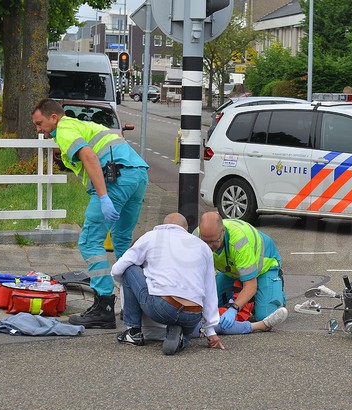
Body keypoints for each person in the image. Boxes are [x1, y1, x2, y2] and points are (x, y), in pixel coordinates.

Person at [31, 98, 149, 329]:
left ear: (53, 117)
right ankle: (134, 303)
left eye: (39, 123)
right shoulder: (80, 125)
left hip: (116, 181)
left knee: (90, 242)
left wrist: (103, 197)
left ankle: (104, 306)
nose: (39, 130)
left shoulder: (64, 128)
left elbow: (89, 157)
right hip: (138, 175)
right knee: (123, 241)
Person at [111, 213, 224, 355]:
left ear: (162, 225)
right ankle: (182, 336)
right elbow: (210, 291)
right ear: (186, 228)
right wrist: (210, 331)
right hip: (193, 314)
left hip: (163, 308)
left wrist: (130, 288)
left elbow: (117, 269)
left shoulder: (150, 236)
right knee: (182, 316)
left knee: (129, 269)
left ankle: (133, 332)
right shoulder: (203, 247)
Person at [195, 212, 288, 336]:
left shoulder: (239, 242)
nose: (208, 246)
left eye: (213, 242)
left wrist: (233, 309)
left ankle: (276, 293)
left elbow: (250, 285)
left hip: (264, 268)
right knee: (206, 306)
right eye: (205, 241)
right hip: (232, 271)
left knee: (264, 315)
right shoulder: (196, 236)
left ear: (223, 231)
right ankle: (249, 299)